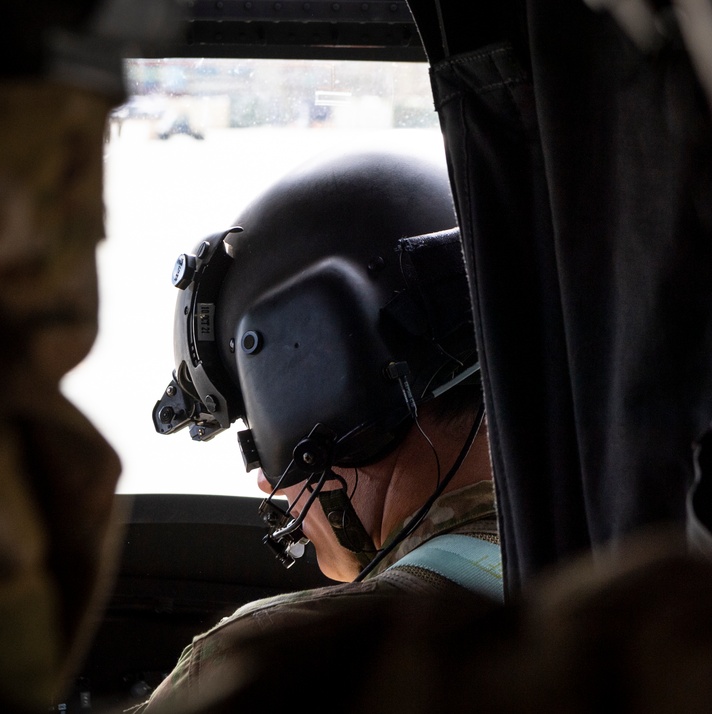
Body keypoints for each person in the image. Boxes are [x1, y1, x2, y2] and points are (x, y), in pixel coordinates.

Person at [137, 149, 501, 712]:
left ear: (324, 395)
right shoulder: (636, 552)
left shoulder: (272, 665)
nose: (268, 483)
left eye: (260, 434)